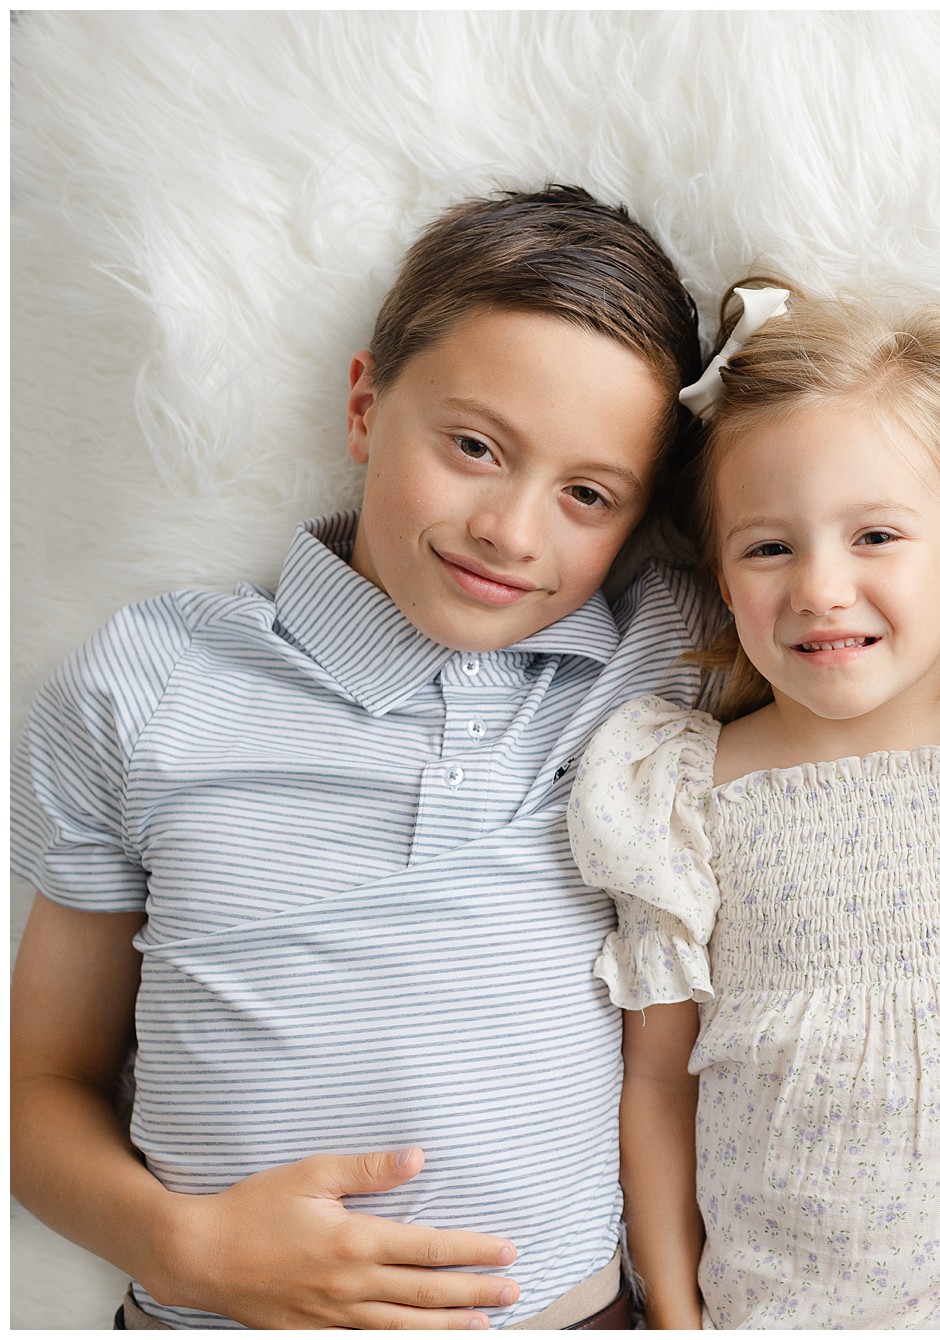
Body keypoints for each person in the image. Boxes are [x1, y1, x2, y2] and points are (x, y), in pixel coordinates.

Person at [11, 185, 711, 1330]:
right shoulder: (152, 678)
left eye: (587, 494)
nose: (510, 529)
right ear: (364, 406)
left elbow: (913, 538)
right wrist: (182, 1247)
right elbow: (39, 1089)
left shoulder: (653, 661)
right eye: (475, 446)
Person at [565, 282, 940, 1327]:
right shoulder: (676, 783)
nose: (818, 587)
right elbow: (659, 1085)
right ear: (722, 578)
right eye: (769, 547)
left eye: (874, 537)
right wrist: (675, 1312)